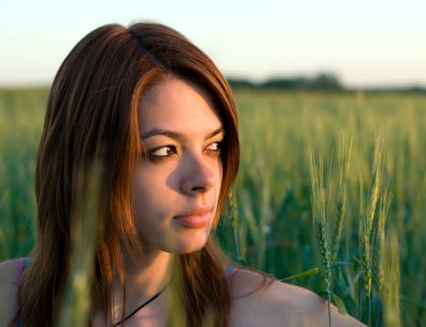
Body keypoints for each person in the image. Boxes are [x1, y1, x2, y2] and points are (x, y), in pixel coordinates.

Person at [0, 22, 365, 327]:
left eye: (213, 147)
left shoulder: (281, 315)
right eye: (163, 151)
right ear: (86, 161)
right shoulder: (8, 299)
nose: (205, 178)